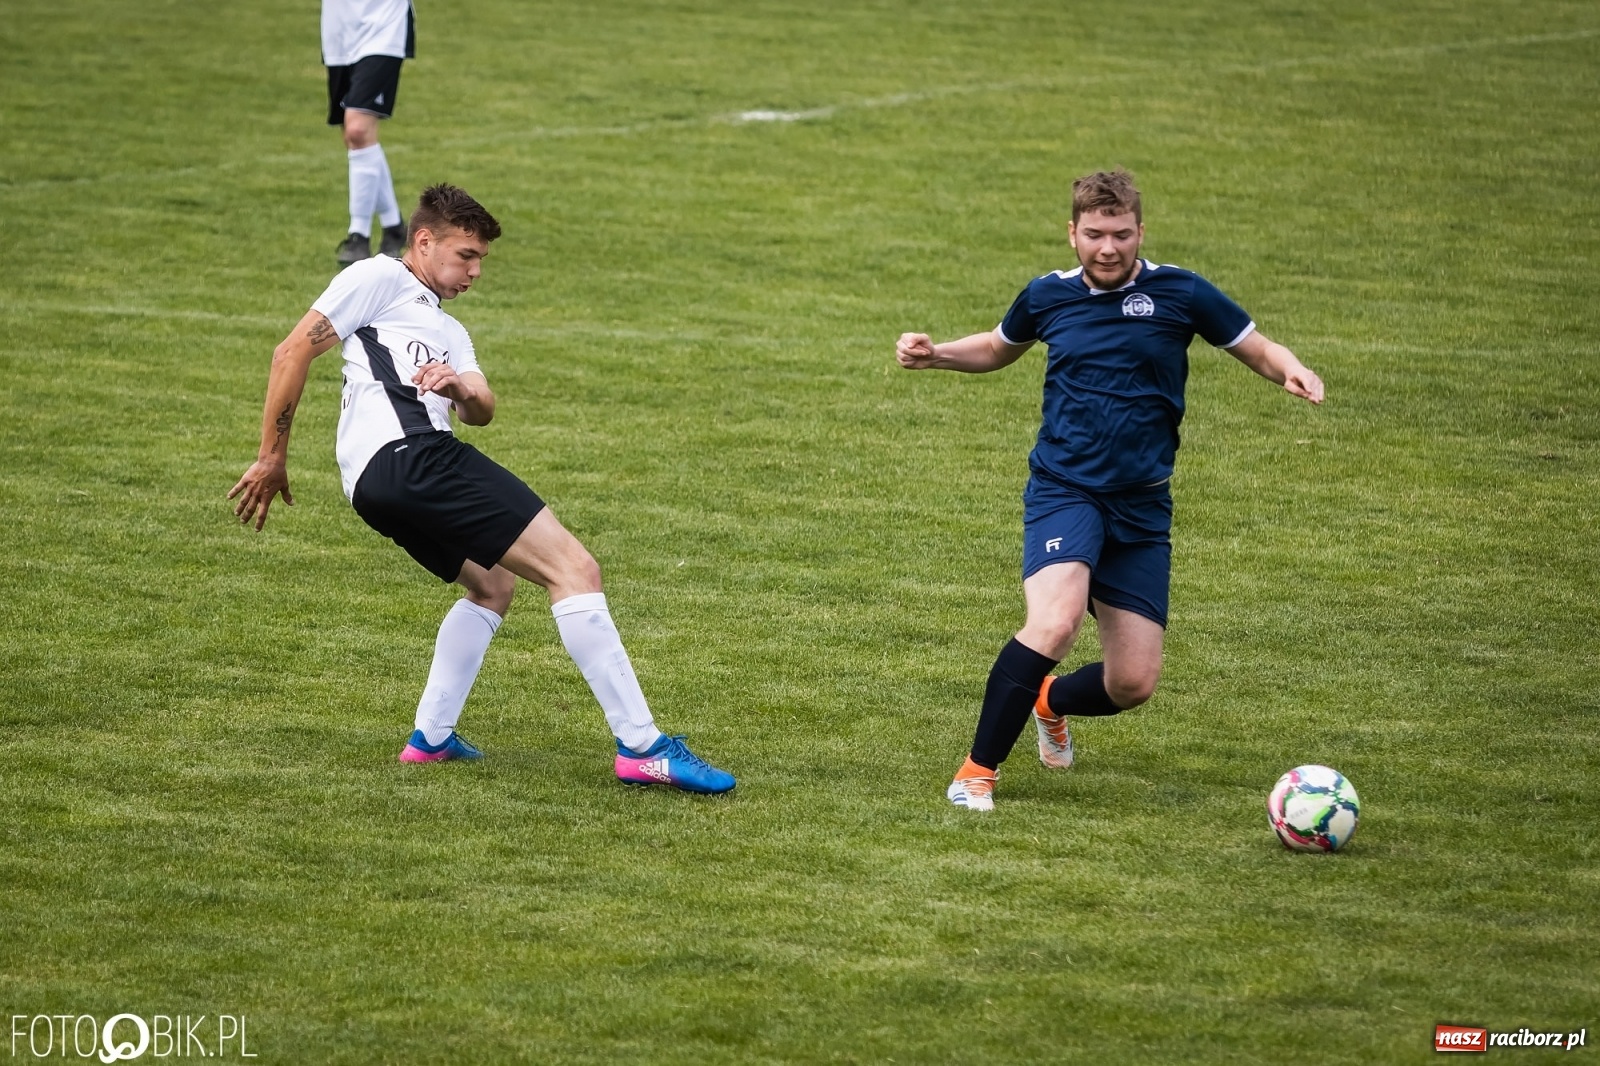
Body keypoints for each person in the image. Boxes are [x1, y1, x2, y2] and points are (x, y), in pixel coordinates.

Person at [229, 183, 735, 794]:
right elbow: (291, 352)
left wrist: (460, 389)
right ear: (424, 241)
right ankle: (643, 747)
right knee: (575, 569)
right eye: (465, 255)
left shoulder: (450, 330)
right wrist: (272, 457)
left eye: (481, 260)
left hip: (375, 484)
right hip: (413, 457)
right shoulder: (379, 277)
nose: (474, 271)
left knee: (493, 585)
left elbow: (483, 409)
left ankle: (431, 738)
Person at [895, 169, 1324, 812]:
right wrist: (937, 355)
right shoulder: (1048, 296)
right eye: (1095, 234)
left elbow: (1256, 347)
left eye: (1121, 234)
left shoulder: (1180, 292)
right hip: (1066, 491)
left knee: (1132, 683)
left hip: (1143, 504)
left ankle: (1048, 699)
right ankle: (976, 773)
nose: (1107, 248)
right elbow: (997, 347)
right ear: (1072, 233)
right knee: (1055, 622)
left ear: (1140, 232)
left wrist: (1291, 368)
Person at [322, 0, 414, 267]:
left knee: (357, 130)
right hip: (339, 33)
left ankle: (358, 235)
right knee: (357, 139)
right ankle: (393, 225)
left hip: (384, 24)